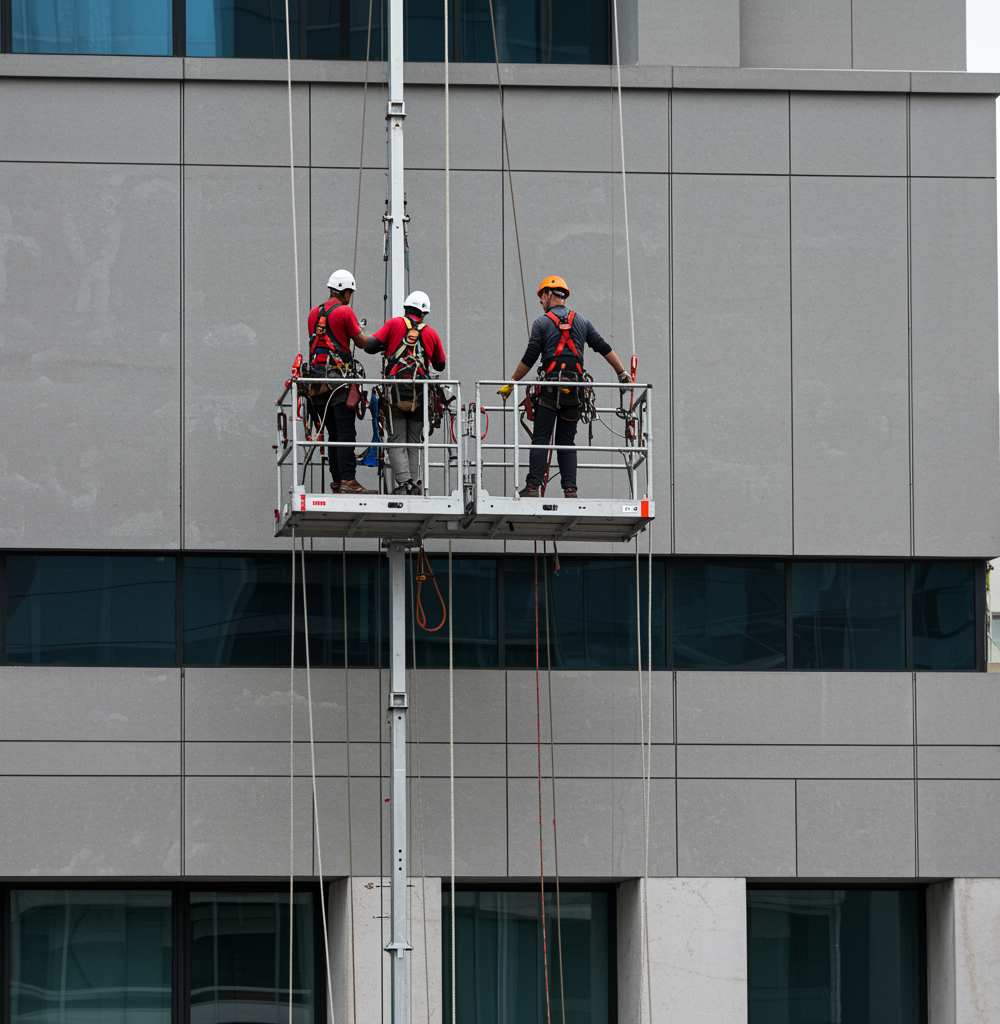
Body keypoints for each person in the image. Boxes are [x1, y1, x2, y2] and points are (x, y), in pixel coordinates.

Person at [503, 275, 630, 498]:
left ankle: (533, 486)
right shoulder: (582, 321)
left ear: (548, 294)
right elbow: (603, 347)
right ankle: (570, 490)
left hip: (550, 391)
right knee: (566, 441)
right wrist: (622, 373)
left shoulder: (542, 323)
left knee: (541, 439)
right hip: (575, 393)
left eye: (542, 297)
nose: (541, 303)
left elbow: (531, 356)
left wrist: (512, 382)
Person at [365, 290, 446, 495]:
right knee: (414, 440)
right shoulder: (431, 333)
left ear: (406, 307)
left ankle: (404, 484)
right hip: (420, 395)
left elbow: (370, 347)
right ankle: (413, 484)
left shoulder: (393, 325)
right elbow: (440, 365)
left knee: (396, 439)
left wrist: (387, 342)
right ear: (424, 313)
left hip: (396, 393)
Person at [306, 269, 376, 495]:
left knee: (333, 433)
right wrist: (382, 341)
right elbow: (362, 342)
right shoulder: (345, 312)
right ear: (346, 292)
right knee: (345, 433)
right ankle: (348, 480)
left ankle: (338, 481)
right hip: (338, 384)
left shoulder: (313, 313)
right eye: (350, 293)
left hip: (315, 383)